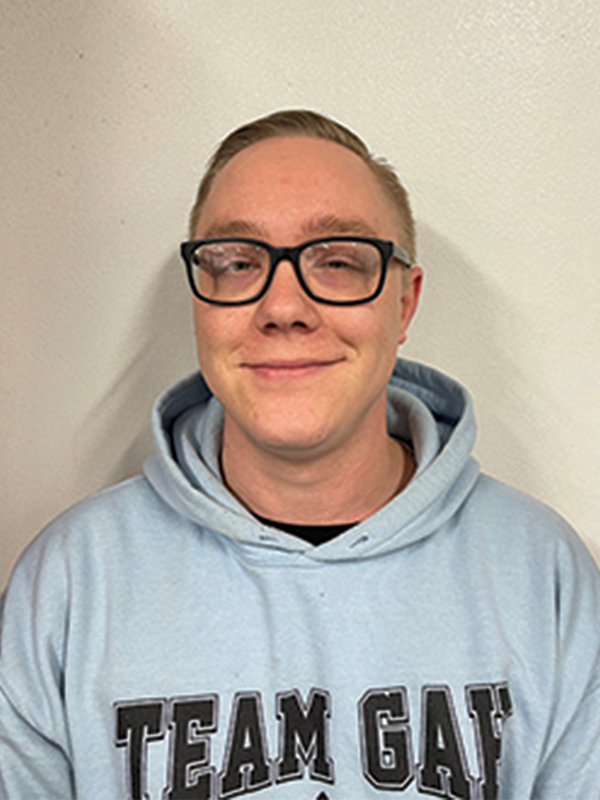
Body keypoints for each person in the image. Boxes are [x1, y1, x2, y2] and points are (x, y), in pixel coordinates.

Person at [0, 109, 599, 800]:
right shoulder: (68, 586)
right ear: (201, 302)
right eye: (237, 262)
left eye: (338, 261)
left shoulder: (544, 577)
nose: (284, 306)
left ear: (403, 303)